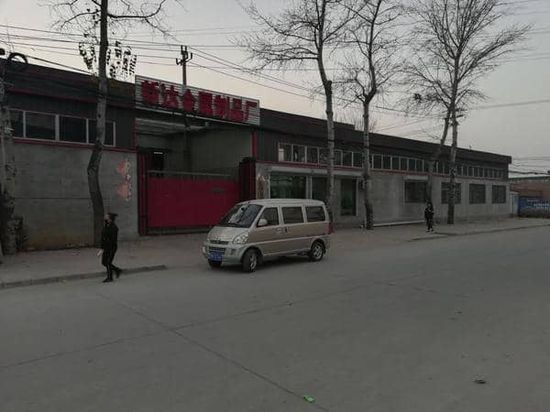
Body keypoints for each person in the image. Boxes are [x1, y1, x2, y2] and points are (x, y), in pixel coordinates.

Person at [99, 213, 122, 283]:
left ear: (110, 219)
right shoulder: (106, 226)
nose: (105, 218)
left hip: (112, 247)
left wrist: (107, 244)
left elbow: (113, 240)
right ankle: (117, 270)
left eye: (106, 217)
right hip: (105, 247)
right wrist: (102, 248)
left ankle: (110, 277)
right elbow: (103, 237)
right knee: (104, 262)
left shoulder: (114, 228)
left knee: (108, 262)